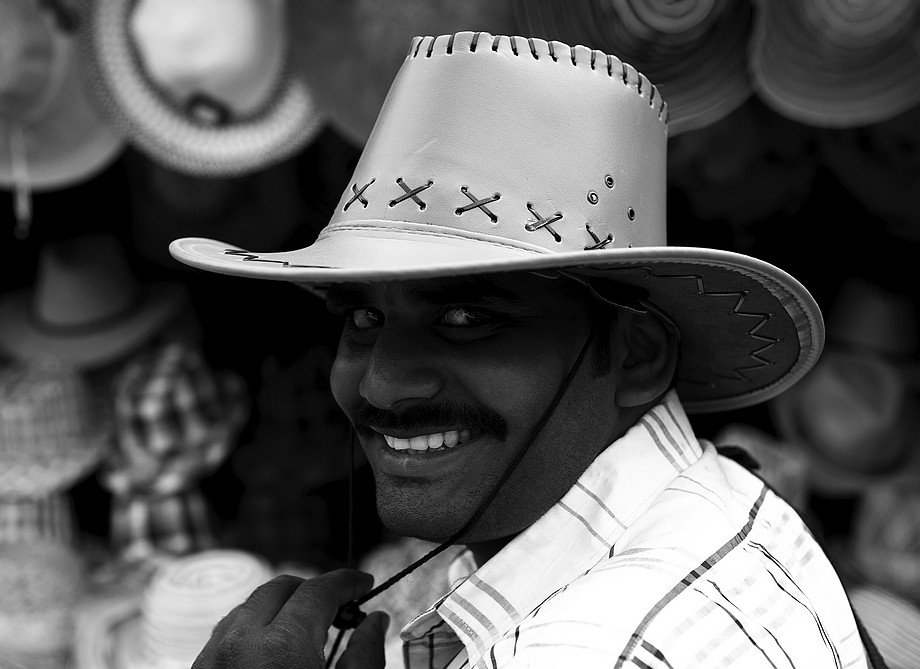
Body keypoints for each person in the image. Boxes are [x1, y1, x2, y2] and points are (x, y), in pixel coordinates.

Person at [170, 32, 882, 668]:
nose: (381, 384)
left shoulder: (579, 650)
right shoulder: (717, 499)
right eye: (362, 316)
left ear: (636, 354)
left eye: (465, 316)